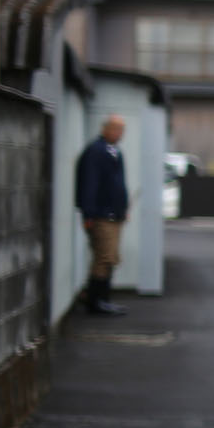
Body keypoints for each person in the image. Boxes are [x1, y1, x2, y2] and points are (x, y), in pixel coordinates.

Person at [75, 115, 130, 316]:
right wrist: (89, 213)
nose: (119, 134)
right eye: (116, 129)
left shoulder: (114, 152)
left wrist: (123, 210)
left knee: (111, 257)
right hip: (101, 215)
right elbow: (90, 184)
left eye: (122, 130)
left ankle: (102, 299)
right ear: (106, 129)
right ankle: (95, 300)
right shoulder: (96, 151)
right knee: (103, 257)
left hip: (114, 214)